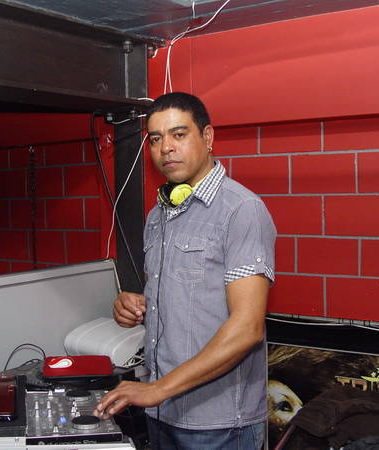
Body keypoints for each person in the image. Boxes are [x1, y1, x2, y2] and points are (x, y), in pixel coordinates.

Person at [94, 92, 276, 450]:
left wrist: (157, 389)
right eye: (156, 138)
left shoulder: (242, 210)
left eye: (179, 134)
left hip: (219, 425)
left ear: (207, 137)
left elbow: (247, 329)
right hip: (162, 413)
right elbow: (184, 299)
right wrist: (137, 306)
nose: (166, 148)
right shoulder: (157, 216)